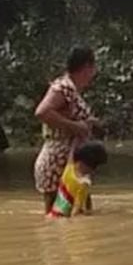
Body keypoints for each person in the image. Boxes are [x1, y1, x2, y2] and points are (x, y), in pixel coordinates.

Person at [34, 46, 101, 213]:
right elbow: (42, 112)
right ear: (87, 67)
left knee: (83, 215)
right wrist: (76, 126)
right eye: (93, 68)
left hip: (72, 161)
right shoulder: (63, 87)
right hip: (57, 162)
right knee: (58, 217)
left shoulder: (71, 89)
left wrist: (87, 123)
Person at [48, 141, 108, 218]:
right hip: (62, 219)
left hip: (52, 214)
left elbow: (71, 153)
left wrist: (76, 140)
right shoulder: (83, 184)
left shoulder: (69, 168)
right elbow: (75, 211)